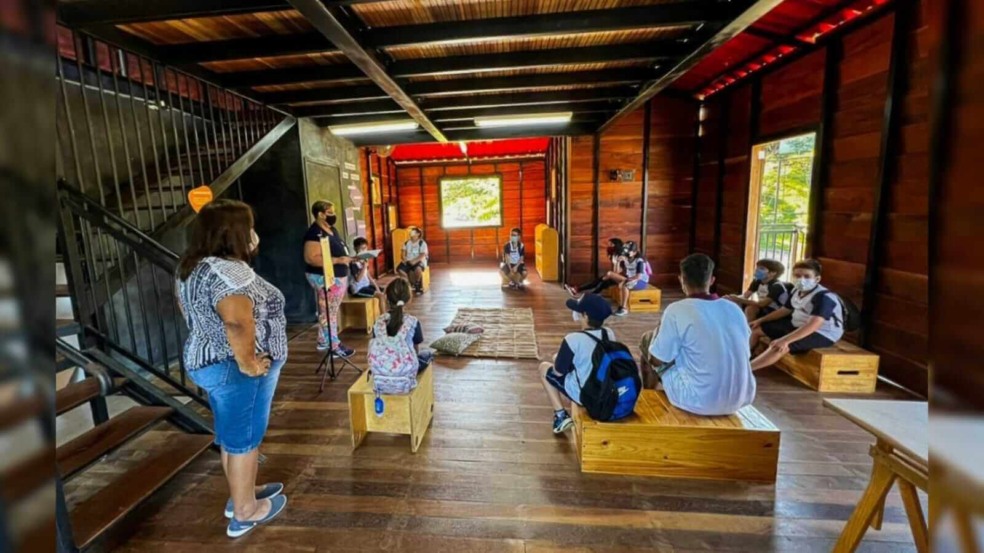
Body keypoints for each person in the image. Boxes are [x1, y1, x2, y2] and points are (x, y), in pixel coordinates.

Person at [175, 200, 288, 539]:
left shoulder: (193, 266)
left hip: (207, 361)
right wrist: (249, 363)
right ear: (234, 233)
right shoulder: (231, 272)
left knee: (230, 435)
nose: (254, 234)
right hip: (234, 369)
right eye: (249, 227)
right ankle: (245, 512)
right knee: (244, 439)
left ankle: (241, 494)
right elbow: (237, 321)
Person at [643, 253, 756, 416]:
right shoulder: (733, 308)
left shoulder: (677, 309)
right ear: (712, 280)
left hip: (698, 400)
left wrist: (659, 331)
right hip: (742, 397)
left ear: (681, 279)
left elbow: (657, 359)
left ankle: (648, 399)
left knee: (648, 340)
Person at [538, 294, 616, 434]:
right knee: (565, 361)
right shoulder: (609, 333)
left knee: (544, 368)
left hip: (586, 394)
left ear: (585, 316)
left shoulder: (573, 339)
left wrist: (557, 360)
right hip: (606, 389)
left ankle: (560, 415)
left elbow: (558, 372)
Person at [750, 258, 845, 371]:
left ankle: (746, 370)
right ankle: (745, 358)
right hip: (798, 324)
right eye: (797, 276)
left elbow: (814, 324)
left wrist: (785, 340)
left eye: (807, 276)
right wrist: (761, 320)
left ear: (817, 279)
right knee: (755, 330)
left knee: (779, 346)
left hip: (822, 333)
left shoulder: (823, 297)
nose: (801, 279)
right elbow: (785, 310)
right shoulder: (796, 291)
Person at [302, 200, 354, 357]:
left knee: (330, 310)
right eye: (330, 213)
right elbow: (311, 258)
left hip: (338, 275)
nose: (333, 215)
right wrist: (338, 260)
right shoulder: (314, 233)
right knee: (329, 311)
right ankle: (334, 346)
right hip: (324, 277)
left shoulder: (331, 230)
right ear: (320, 214)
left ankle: (323, 340)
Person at [371, 278, 434, 377]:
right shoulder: (413, 322)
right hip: (406, 370)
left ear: (386, 299)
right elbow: (415, 351)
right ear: (408, 299)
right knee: (428, 354)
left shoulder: (378, 322)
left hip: (382, 369)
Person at [726, 259, 789, 324]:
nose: (757, 270)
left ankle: (749, 329)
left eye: (762, 268)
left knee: (751, 308)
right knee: (732, 304)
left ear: (773, 273)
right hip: (762, 308)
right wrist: (730, 298)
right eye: (757, 268)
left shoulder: (777, 286)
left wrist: (737, 299)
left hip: (776, 311)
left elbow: (762, 304)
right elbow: (745, 296)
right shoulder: (757, 281)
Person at [348, 237, 386, 313]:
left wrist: (376, 286)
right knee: (380, 295)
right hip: (358, 289)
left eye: (365, 248)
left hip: (366, 285)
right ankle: (384, 317)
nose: (363, 250)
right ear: (355, 249)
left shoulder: (364, 259)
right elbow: (357, 279)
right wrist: (364, 266)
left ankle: (379, 312)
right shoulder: (353, 262)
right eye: (361, 248)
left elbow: (368, 275)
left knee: (384, 291)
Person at [614, 241, 650, 317]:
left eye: (629, 251)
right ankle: (621, 306)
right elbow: (617, 272)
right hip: (631, 279)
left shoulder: (639, 260)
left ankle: (624, 308)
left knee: (625, 286)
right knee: (620, 285)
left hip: (641, 281)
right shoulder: (625, 259)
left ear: (635, 252)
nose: (627, 253)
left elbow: (638, 277)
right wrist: (617, 262)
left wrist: (625, 280)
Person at [397, 226, 429, 295]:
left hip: (419, 261)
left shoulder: (422, 243)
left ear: (418, 234)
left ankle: (417, 284)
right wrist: (404, 258)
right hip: (408, 260)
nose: (411, 233)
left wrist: (414, 261)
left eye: (413, 232)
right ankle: (408, 285)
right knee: (400, 270)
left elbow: (422, 254)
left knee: (418, 269)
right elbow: (403, 253)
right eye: (411, 232)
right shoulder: (407, 243)